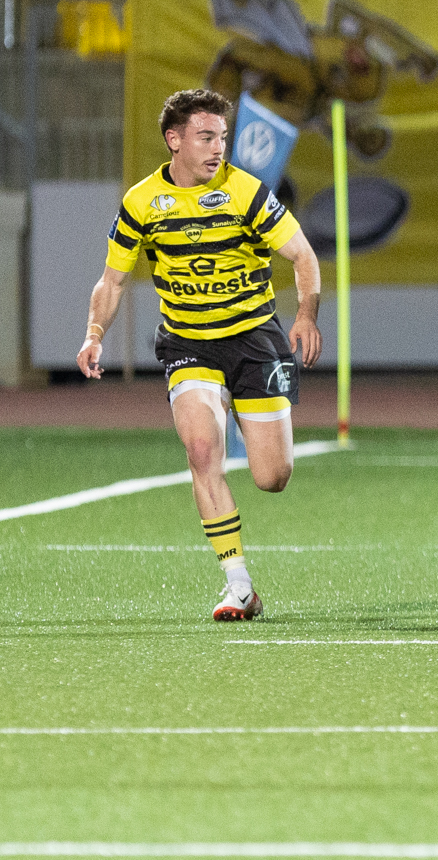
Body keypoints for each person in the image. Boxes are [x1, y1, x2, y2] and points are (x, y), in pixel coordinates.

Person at [76, 89, 322, 621]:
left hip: (254, 340)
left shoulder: (244, 192)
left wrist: (306, 314)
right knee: (202, 452)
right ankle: (240, 587)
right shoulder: (142, 202)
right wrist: (94, 333)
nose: (218, 148)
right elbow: (112, 281)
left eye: (222, 138)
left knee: (272, 477)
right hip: (188, 343)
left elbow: (303, 255)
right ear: (174, 140)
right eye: (206, 137)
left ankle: (243, 407)